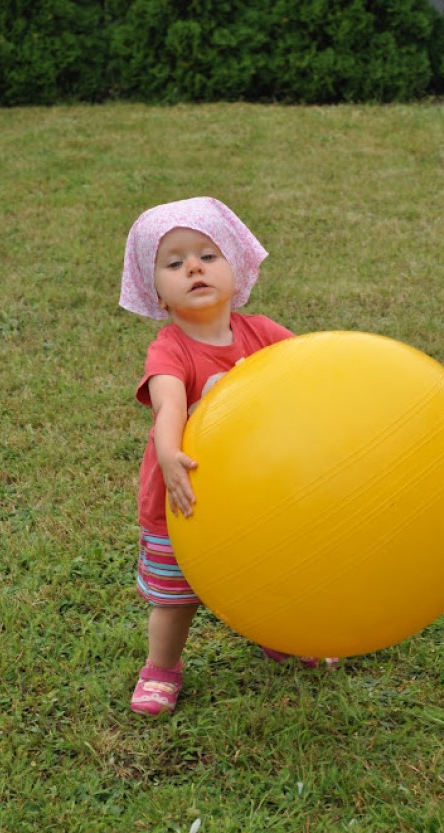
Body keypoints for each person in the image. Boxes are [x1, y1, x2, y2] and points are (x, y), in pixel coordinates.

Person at [119, 197, 339, 716]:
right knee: (176, 594)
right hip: (187, 493)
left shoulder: (261, 332)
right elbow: (169, 402)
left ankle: (278, 633)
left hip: (260, 491)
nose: (193, 267)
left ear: (235, 268)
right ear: (155, 291)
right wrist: (170, 453)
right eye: (173, 262)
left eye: (207, 256)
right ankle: (161, 669)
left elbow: (314, 364)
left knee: (271, 568)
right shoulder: (170, 349)